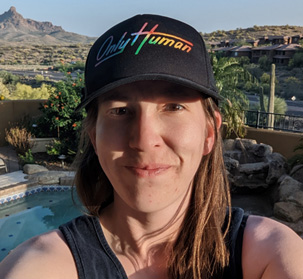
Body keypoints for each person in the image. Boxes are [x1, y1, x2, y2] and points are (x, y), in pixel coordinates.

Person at [1, 14, 303, 279]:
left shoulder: (265, 253)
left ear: (209, 133)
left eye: (173, 107)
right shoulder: (44, 265)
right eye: (120, 110)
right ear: (94, 137)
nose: (144, 141)